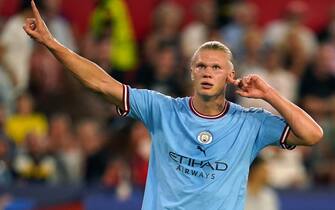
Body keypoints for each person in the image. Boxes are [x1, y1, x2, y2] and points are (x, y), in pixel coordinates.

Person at [23, 1, 323, 209]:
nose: (208, 73)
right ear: (192, 71)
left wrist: (270, 93)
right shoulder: (163, 109)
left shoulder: (250, 122)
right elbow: (100, 83)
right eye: (202, 66)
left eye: (216, 68)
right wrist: (52, 43)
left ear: (231, 75)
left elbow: (312, 135)